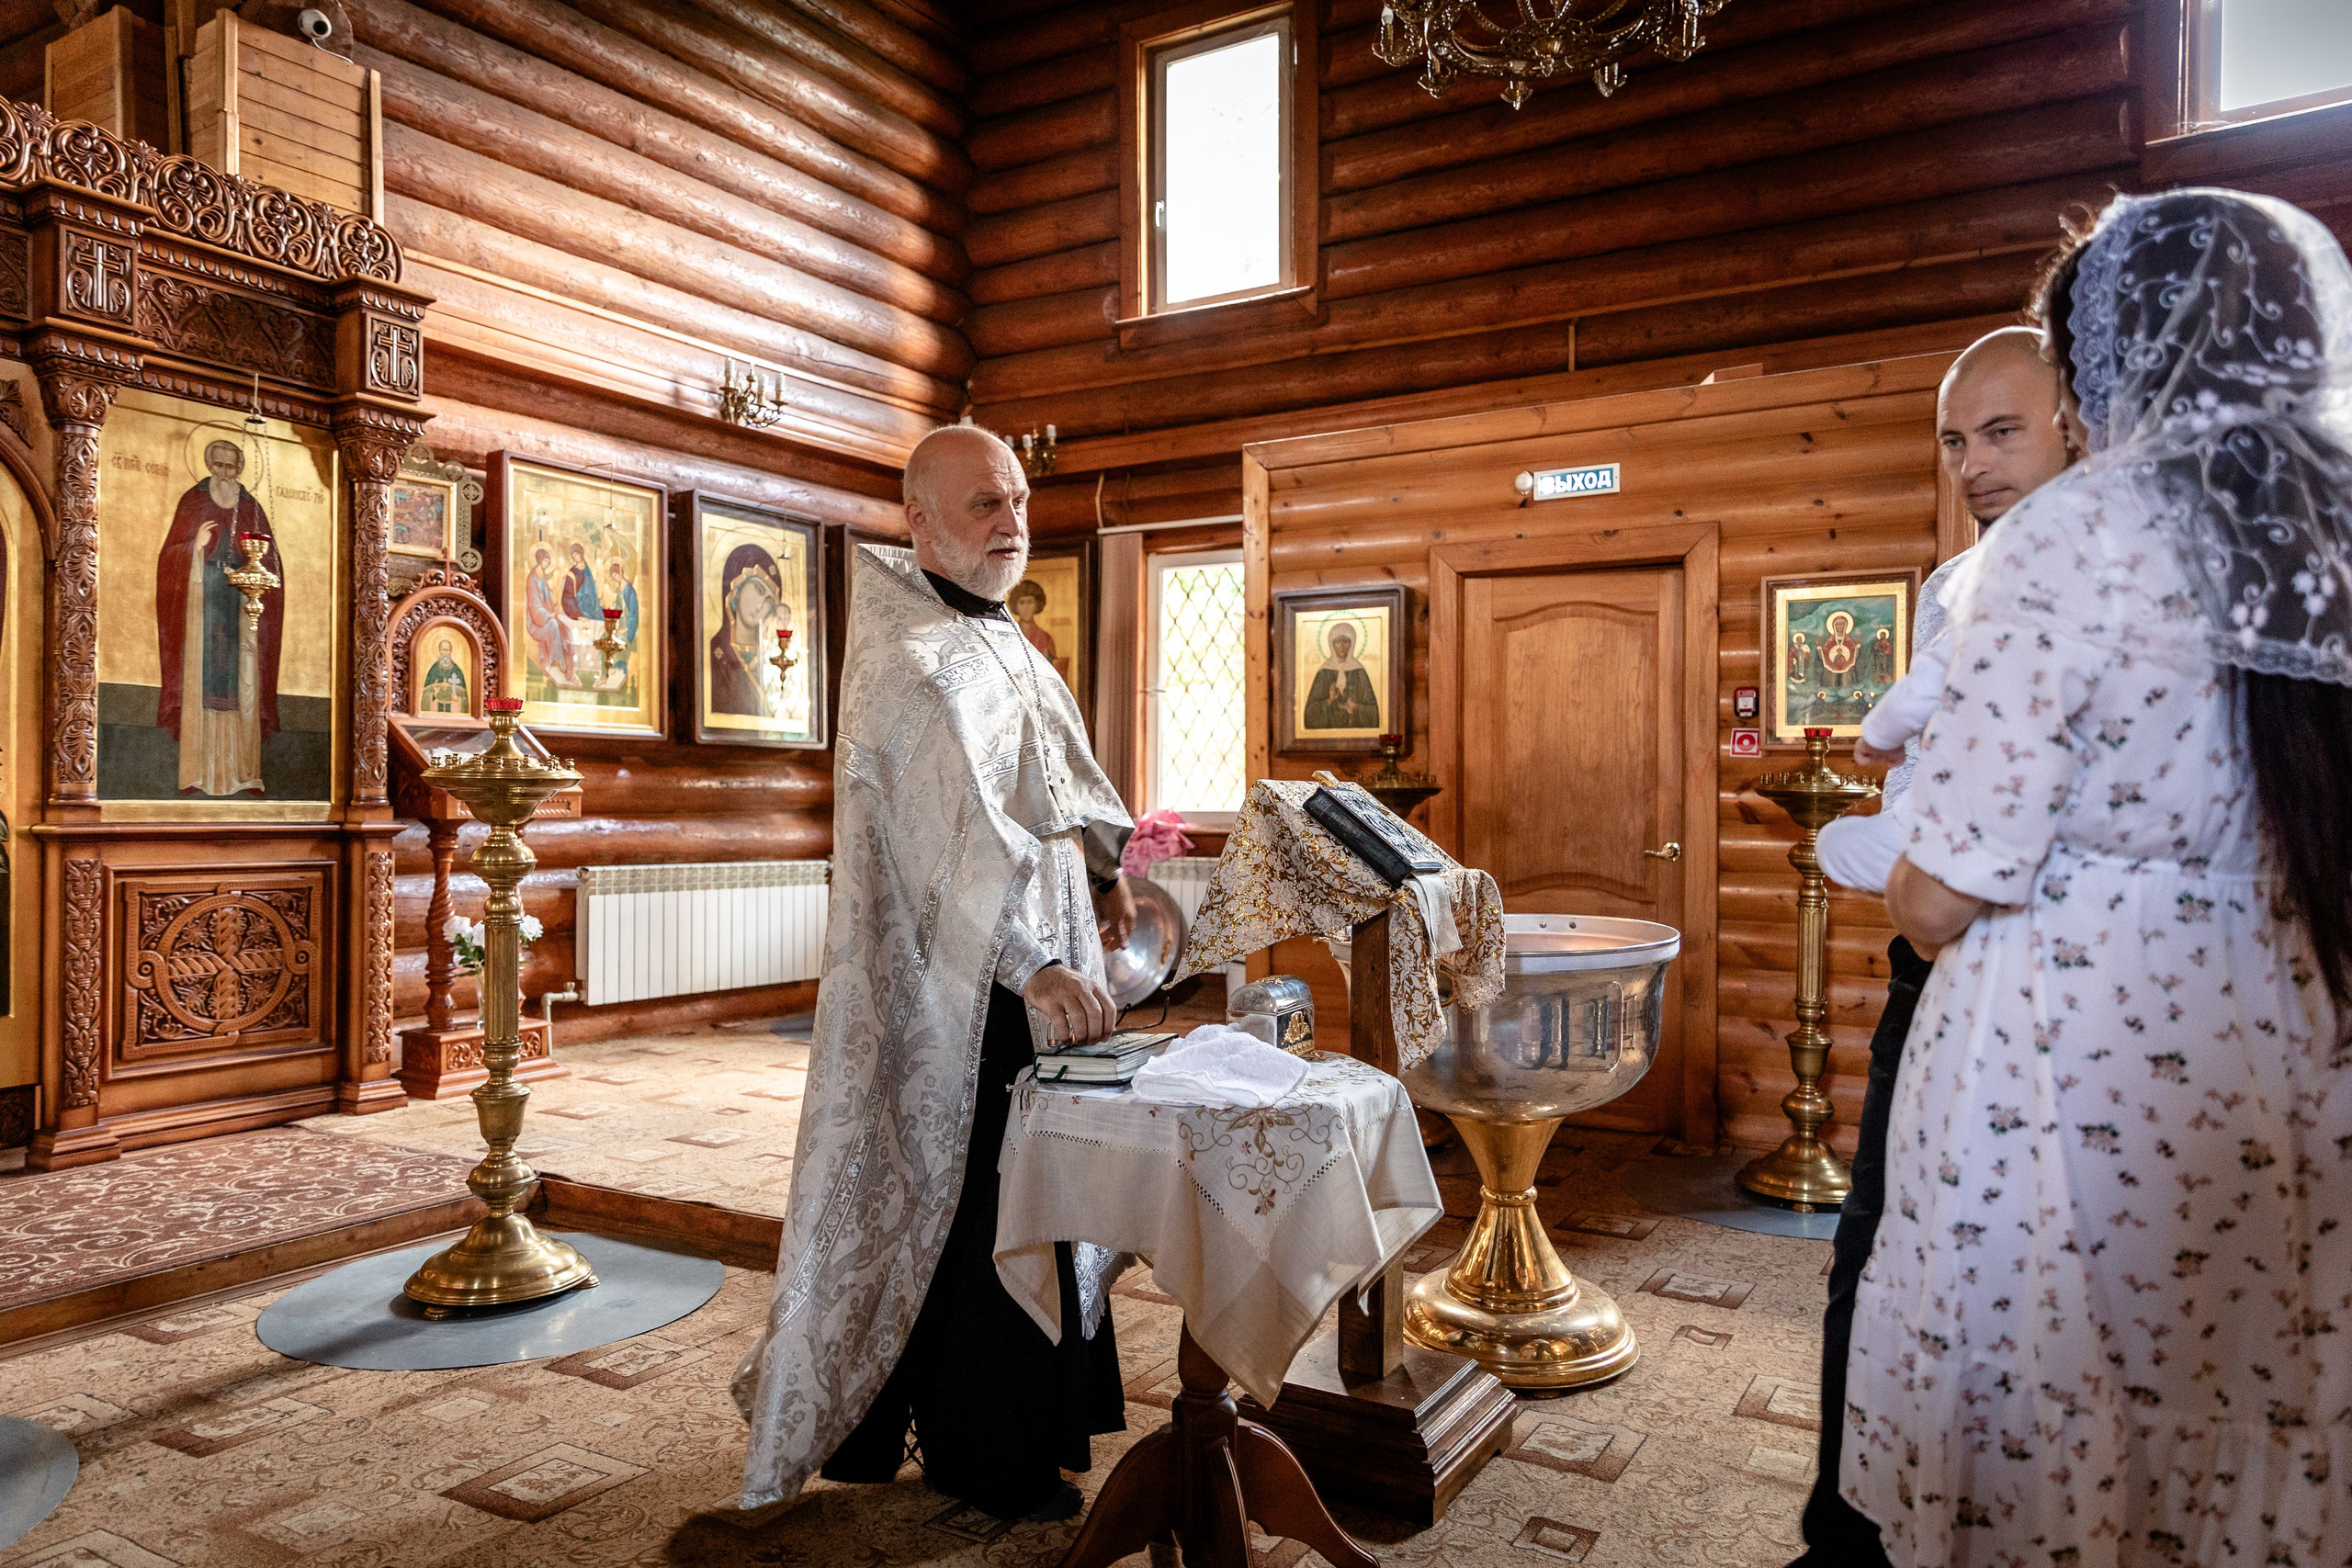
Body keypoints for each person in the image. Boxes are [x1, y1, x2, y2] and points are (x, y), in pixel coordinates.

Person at [1844, 189, 2352, 1567]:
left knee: (2060, 1425)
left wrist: (1902, 870)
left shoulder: (2084, 532)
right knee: (2235, 1399)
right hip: (2281, 1038)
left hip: (2068, 1066)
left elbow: (1943, 888)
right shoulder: (2325, 530)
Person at [733, 425, 1141, 1524]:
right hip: (963, 993)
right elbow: (936, 846)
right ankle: (983, 1451)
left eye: (1016, 501)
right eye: (983, 506)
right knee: (978, 1204)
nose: (1011, 524)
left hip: (1038, 972)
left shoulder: (1000, 633)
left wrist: (1105, 871)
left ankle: (1032, 1424)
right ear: (916, 518)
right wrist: (1032, 962)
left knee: (1039, 1192)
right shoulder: (910, 660)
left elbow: (1053, 778)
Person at [1791, 324, 2075, 1568]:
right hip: (1960, 975)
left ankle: (1885, 1528)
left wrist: (1895, 852)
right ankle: (1854, 1515)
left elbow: (1942, 882)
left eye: (2002, 430)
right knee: (1887, 1245)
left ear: (2081, 418)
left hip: (2026, 984)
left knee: (1951, 1258)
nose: (1972, 462)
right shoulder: (1981, 576)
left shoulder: (2053, 581)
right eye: (1956, 438)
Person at [155, 439, 282, 795]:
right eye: (220, 466)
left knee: (243, 684)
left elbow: (271, 566)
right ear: (210, 466)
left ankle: (243, 773)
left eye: (232, 467)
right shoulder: (192, 501)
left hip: (241, 614)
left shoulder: (252, 506)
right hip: (201, 610)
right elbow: (170, 557)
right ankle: (197, 774)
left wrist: (253, 567)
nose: (226, 474)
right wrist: (194, 546)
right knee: (201, 682)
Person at [708, 543, 785, 717]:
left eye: (769, 602)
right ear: (737, 586)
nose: (761, 606)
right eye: (758, 589)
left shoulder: (771, 660)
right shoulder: (713, 652)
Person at [1303, 620, 1379, 728]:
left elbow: (1373, 710)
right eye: (1338, 641)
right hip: (1328, 733)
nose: (1342, 645)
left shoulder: (1359, 672)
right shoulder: (1324, 673)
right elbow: (1310, 713)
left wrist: (1357, 706)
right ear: (1332, 644)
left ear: (1351, 644)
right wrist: (1329, 700)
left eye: (1346, 641)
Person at [524, 546, 571, 685]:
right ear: (539, 561)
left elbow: (546, 599)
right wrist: (547, 615)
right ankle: (555, 661)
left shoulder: (542, 577)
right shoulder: (532, 578)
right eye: (545, 562)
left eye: (548, 563)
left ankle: (561, 662)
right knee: (553, 625)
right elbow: (534, 604)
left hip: (545, 616)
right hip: (535, 621)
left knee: (563, 628)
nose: (546, 565)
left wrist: (553, 607)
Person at [422, 636, 468, 715]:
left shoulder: (457, 670)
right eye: (443, 650)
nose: (445, 653)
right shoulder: (434, 669)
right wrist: (434, 693)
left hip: (453, 706)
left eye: (447, 650)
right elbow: (426, 692)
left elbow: (464, 695)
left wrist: (457, 698)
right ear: (439, 651)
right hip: (436, 706)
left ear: (450, 651)